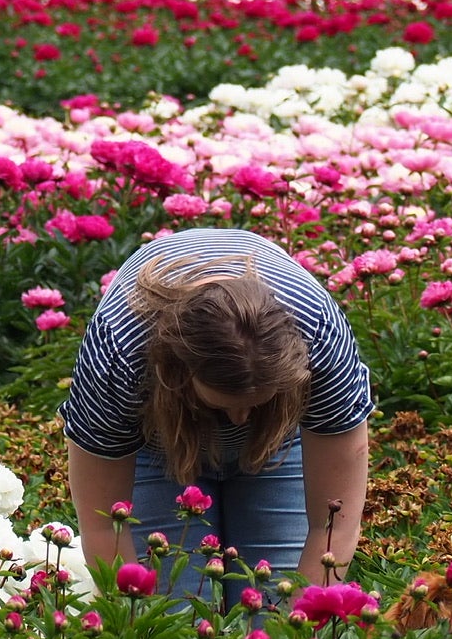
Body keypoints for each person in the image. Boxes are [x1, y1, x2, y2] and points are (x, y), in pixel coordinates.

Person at [60, 228, 372, 605]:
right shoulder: (121, 348)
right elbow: (104, 525)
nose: (240, 419)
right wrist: (136, 628)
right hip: (156, 447)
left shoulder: (317, 332)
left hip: (280, 448)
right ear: (179, 373)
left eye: (256, 403)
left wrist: (297, 628)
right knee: (173, 621)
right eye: (223, 405)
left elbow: (332, 524)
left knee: (272, 609)